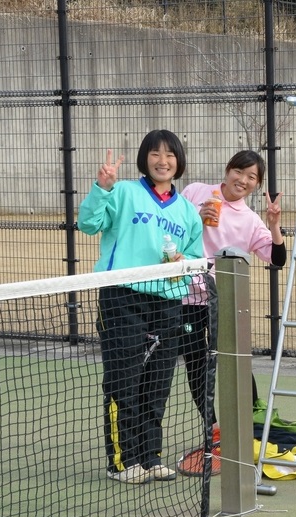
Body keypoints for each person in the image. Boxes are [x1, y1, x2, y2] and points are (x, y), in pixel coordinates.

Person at [78, 129, 204, 485]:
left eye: (170, 155)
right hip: (122, 296)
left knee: (158, 383)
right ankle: (122, 461)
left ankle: (150, 457)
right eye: (155, 154)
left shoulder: (187, 212)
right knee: (124, 379)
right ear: (144, 158)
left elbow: (195, 257)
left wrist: (182, 260)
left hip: (167, 303)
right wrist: (101, 187)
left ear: (179, 162)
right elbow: (88, 224)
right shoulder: (123, 192)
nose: (163, 161)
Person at [179, 150, 286, 442]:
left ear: (256, 184)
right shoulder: (195, 192)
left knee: (235, 361)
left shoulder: (250, 220)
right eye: (239, 171)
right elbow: (173, 231)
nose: (243, 180)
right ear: (228, 170)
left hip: (223, 300)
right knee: (196, 363)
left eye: (252, 177)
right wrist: (196, 218)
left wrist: (274, 225)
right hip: (183, 298)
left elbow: (277, 258)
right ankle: (213, 430)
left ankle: (250, 423)